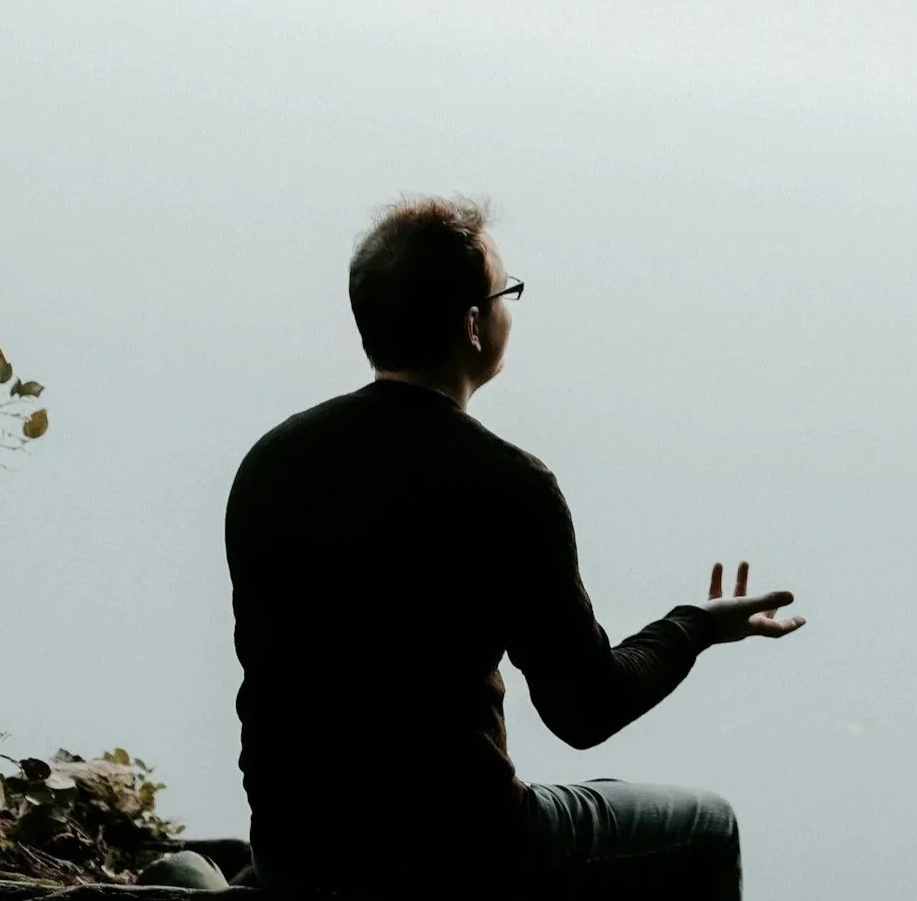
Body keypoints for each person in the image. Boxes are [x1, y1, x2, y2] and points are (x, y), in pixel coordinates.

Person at [227, 197, 805, 897]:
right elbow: (585, 711)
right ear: (473, 325)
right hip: (457, 854)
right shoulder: (505, 483)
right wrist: (697, 626)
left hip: (296, 851)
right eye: (508, 293)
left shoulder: (272, 460)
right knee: (706, 825)